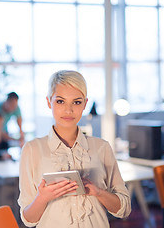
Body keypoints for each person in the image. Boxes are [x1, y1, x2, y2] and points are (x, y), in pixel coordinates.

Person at [18, 70, 131, 227]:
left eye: (76, 102)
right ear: (49, 102)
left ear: (85, 104)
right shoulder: (32, 149)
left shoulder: (102, 148)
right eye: (60, 101)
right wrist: (42, 197)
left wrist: (99, 192)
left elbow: (124, 209)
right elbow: (28, 220)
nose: (68, 110)